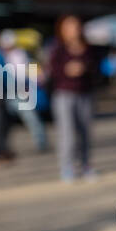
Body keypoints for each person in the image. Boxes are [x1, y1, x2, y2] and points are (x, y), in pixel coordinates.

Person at [46, 14, 99, 182]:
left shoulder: (89, 49)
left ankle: (85, 165)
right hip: (64, 94)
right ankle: (66, 166)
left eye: (76, 26)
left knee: (85, 131)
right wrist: (67, 70)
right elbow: (52, 72)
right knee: (67, 132)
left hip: (85, 93)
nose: (73, 30)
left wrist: (85, 68)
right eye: (69, 27)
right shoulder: (58, 50)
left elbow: (97, 69)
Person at [0, 29, 48, 153]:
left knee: (30, 118)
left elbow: (25, 73)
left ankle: (41, 143)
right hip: (8, 92)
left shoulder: (20, 54)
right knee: (4, 121)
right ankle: (1, 148)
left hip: (19, 91)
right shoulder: (2, 56)